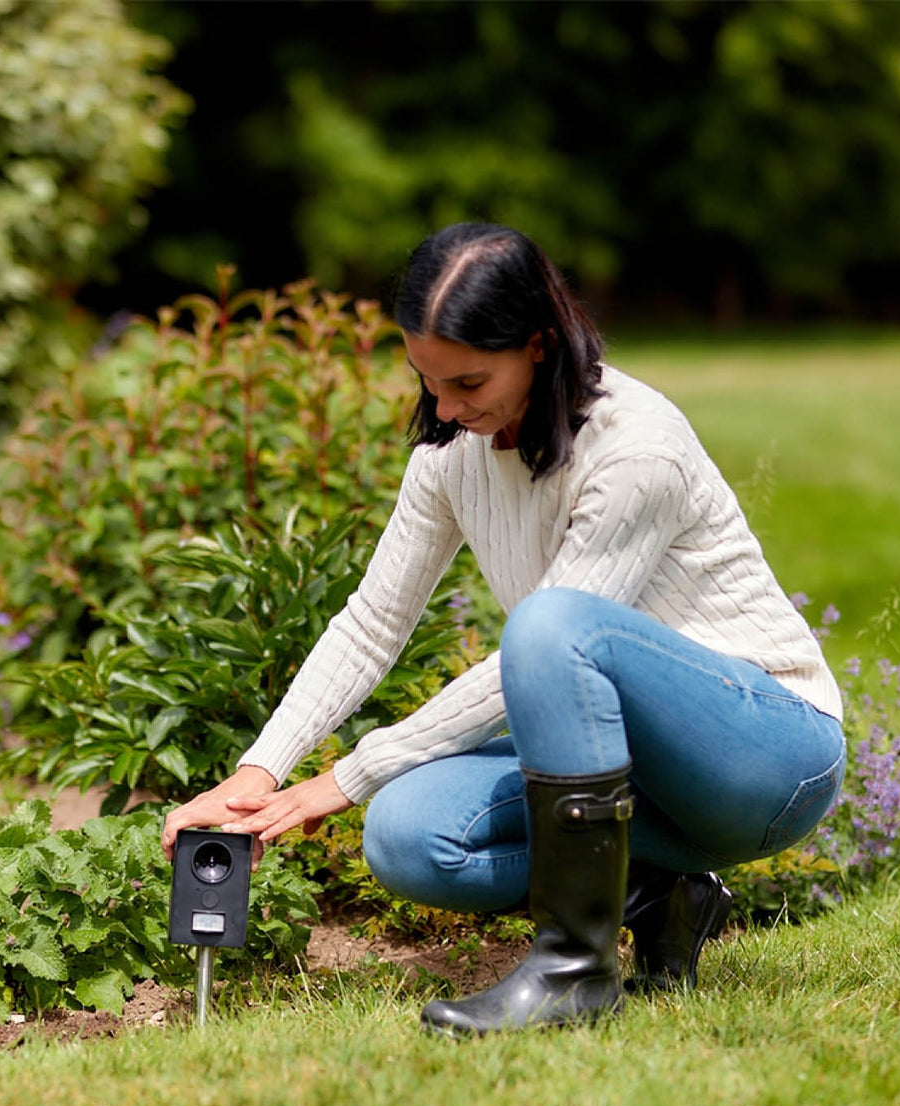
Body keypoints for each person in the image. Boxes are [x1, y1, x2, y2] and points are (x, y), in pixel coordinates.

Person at [161, 221, 845, 1036]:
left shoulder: (638, 450)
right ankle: (656, 896)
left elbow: (553, 637)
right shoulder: (452, 452)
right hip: (627, 766)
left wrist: (346, 776)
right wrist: (260, 770)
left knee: (550, 622)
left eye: (469, 382)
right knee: (407, 835)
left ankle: (573, 970)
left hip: (765, 755)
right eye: (427, 382)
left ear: (539, 345)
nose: (446, 409)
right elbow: (373, 623)